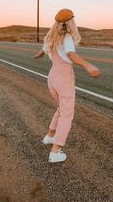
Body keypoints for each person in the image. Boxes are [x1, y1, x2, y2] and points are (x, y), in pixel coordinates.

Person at [34, 9, 101, 163]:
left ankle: (50, 136)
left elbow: (42, 51)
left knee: (61, 109)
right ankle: (55, 151)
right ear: (71, 22)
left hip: (52, 78)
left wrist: (37, 55)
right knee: (67, 115)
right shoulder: (67, 37)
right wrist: (88, 65)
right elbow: (71, 54)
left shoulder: (50, 38)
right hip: (64, 79)